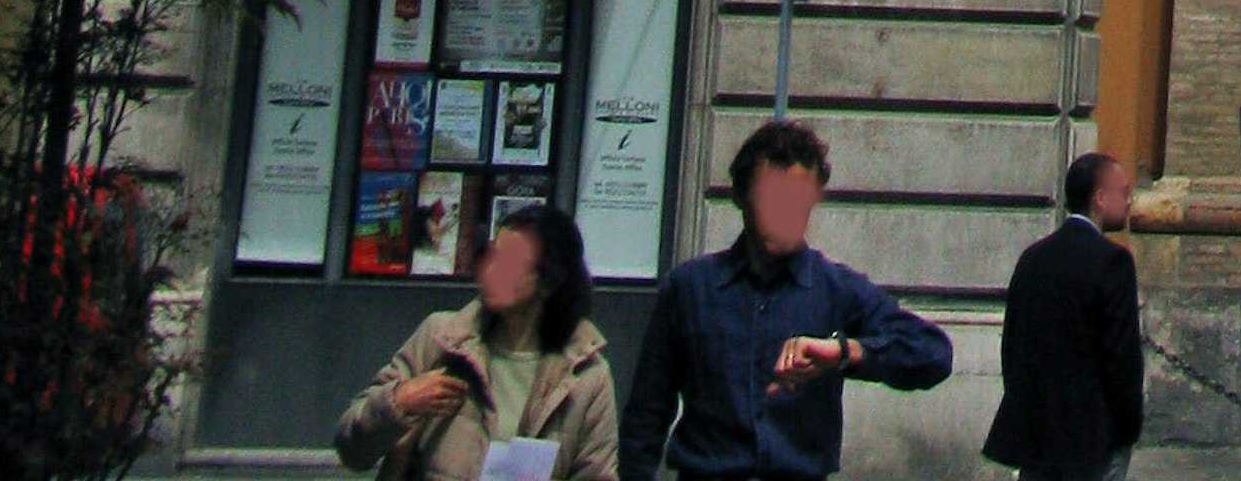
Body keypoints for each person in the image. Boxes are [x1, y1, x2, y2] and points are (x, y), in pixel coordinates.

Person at [618, 116, 951, 481]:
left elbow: (932, 353)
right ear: (742, 197)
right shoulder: (690, 288)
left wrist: (846, 352)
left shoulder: (835, 288)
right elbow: (647, 414)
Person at [340, 200, 619, 479]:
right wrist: (399, 402)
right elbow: (351, 449)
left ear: (549, 281)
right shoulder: (442, 339)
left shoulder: (587, 375)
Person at [987, 150, 1145, 481]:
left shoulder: (1033, 258)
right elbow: (1121, 358)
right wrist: (1128, 426)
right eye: (1124, 192)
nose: (1129, 202)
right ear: (1100, 198)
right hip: (1090, 439)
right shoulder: (1113, 262)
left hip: (1037, 439)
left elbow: (1013, 345)